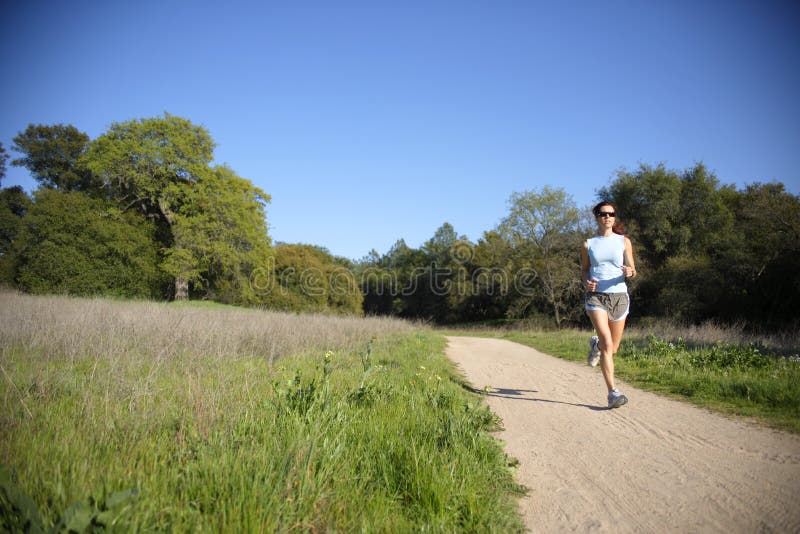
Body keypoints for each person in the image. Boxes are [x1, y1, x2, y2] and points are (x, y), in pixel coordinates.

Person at [580, 201, 637, 409]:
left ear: (614, 217)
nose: (607, 217)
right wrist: (586, 281)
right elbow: (585, 270)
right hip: (597, 297)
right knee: (608, 343)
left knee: (612, 348)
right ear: (596, 217)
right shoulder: (588, 244)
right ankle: (613, 393)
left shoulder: (623, 241)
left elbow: (633, 269)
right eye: (603, 214)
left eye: (611, 214)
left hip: (619, 297)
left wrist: (630, 272)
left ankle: (596, 346)